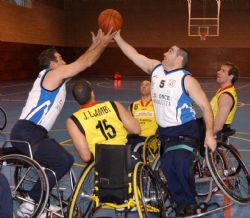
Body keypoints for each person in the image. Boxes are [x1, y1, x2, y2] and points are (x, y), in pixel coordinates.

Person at [10, 29, 116, 217]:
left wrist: (95, 44)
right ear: (53, 63)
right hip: (28, 131)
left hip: (32, 132)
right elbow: (86, 62)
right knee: (64, 161)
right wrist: (104, 43)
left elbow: (81, 63)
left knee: (55, 160)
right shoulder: (51, 74)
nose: (64, 62)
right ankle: (30, 204)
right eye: (60, 59)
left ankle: (38, 200)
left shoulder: (54, 77)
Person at [114, 31, 217, 216]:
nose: (164, 53)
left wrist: (209, 133)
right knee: (168, 168)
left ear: (179, 59)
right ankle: (181, 205)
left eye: (170, 51)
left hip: (186, 129)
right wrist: (118, 38)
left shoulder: (187, 80)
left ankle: (191, 203)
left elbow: (206, 107)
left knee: (180, 163)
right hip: (165, 132)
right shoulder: (156, 69)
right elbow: (133, 55)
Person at [66, 80, 140, 163]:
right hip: (123, 156)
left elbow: (86, 157)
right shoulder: (113, 105)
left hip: (102, 164)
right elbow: (136, 130)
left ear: (76, 99)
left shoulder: (73, 120)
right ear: (92, 93)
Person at [211, 62, 239, 140]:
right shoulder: (222, 90)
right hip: (209, 123)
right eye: (219, 70)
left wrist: (207, 136)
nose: (218, 72)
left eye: (223, 71)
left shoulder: (225, 96)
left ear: (231, 77)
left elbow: (218, 127)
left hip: (214, 129)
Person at [127, 80, 158, 148]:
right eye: (142, 85)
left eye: (147, 85)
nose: (144, 86)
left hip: (149, 140)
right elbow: (128, 124)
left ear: (152, 88)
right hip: (133, 138)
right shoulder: (133, 105)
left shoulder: (157, 105)